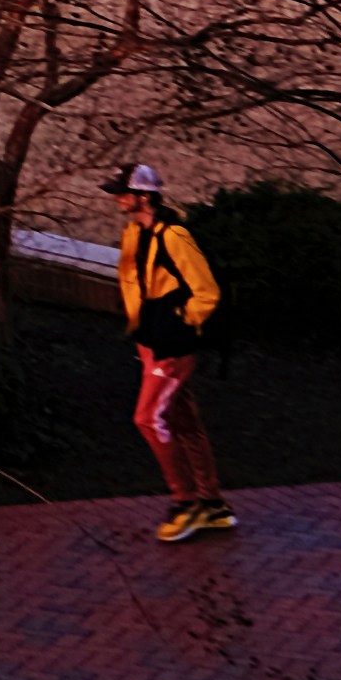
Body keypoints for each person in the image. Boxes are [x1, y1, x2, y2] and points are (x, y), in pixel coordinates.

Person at [116, 162, 232, 542]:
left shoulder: (174, 236)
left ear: (143, 196)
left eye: (123, 192)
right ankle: (212, 503)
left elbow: (207, 291)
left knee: (148, 419)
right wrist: (141, 332)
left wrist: (180, 322)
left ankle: (186, 503)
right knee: (182, 420)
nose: (117, 198)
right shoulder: (134, 233)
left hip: (172, 345)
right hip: (151, 342)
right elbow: (133, 283)